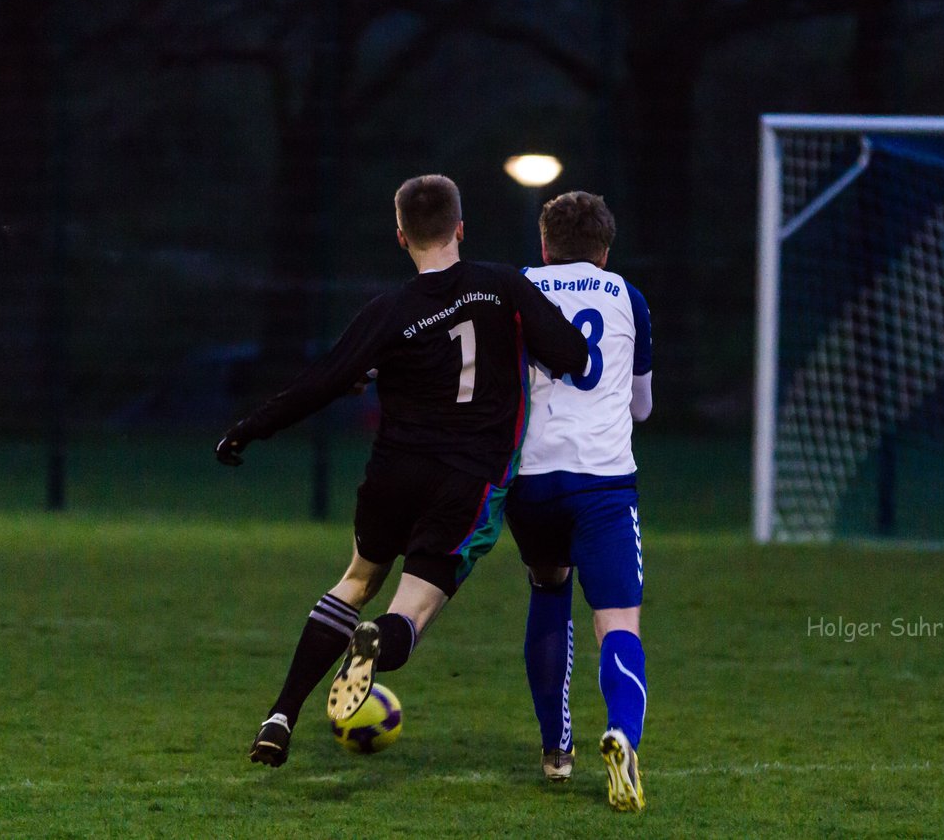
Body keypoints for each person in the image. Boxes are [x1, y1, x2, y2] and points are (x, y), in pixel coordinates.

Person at [217, 174, 588, 767]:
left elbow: (321, 383)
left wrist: (248, 428)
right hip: (465, 480)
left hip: (393, 475)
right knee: (408, 610)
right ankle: (376, 641)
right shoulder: (502, 286)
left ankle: (281, 713)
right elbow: (573, 355)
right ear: (460, 228)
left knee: (357, 580)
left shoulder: (387, 313)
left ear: (400, 237)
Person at [503, 191, 653, 812]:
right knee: (617, 623)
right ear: (605, 251)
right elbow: (642, 406)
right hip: (602, 482)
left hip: (532, 479)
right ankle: (622, 736)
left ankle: (555, 751)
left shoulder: (515, 291)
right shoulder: (629, 299)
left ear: (544, 246)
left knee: (547, 587)